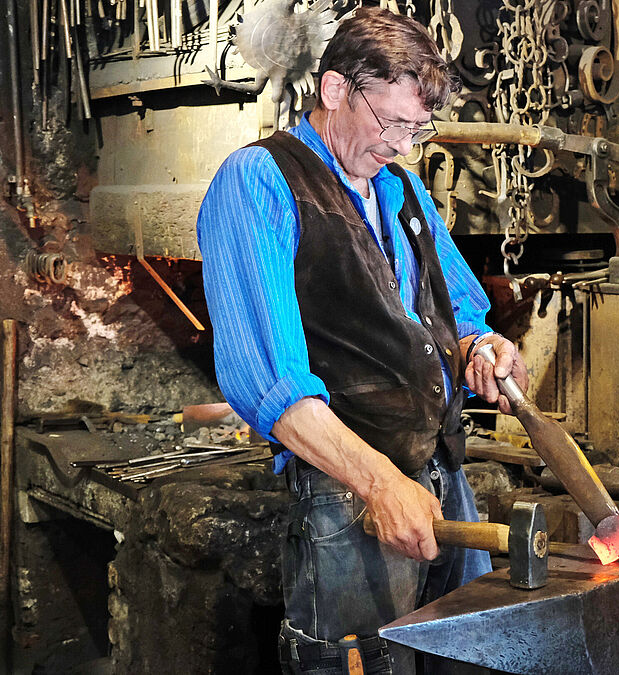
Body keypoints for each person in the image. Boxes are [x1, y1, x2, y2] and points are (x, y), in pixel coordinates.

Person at [196, 8, 529, 673]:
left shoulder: (401, 187)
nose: (405, 145)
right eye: (393, 124)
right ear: (335, 90)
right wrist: (380, 482)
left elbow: (451, 310)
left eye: (417, 127)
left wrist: (481, 346)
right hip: (348, 499)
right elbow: (274, 385)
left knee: (466, 654)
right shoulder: (260, 181)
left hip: (442, 477)